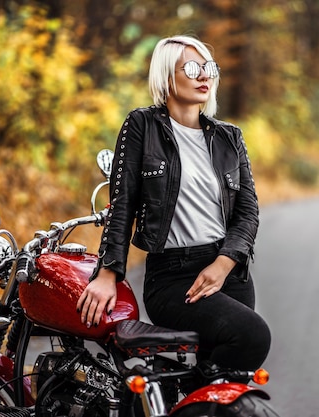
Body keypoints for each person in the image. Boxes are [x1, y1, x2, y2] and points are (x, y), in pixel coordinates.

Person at [76, 35, 271, 371]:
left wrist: (224, 264)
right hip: (173, 278)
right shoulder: (142, 126)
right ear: (167, 76)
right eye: (192, 68)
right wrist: (108, 273)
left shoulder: (229, 138)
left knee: (228, 383)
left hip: (230, 274)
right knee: (252, 336)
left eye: (209, 68)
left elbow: (247, 212)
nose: (204, 75)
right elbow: (122, 205)